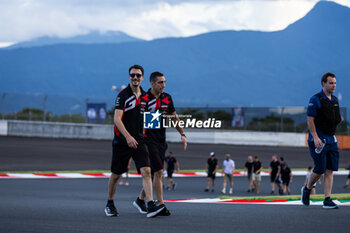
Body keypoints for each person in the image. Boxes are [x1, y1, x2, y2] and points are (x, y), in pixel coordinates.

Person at [105, 64, 164, 218]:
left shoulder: (146, 97)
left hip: (140, 141)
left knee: (147, 170)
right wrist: (127, 137)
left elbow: (151, 121)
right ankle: (110, 203)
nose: (135, 78)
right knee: (116, 175)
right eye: (132, 75)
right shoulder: (123, 95)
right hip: (122, 141)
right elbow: (117, 119)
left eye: (138, 75)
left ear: (143, 78)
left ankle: (149, 204)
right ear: (129, 77)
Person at [134, 71, 187, 216]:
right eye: (160, 82)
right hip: (147, 140)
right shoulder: (143, 99)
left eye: (164, 82)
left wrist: (182, 133)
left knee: (153, 173)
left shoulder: (167, 98)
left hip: (161, 141)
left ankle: (140, 200)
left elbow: (173, 117)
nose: (163, 85)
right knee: (158, 171)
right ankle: (161, 204)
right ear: (152, 83)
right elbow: (137, 120)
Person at [302, 72, 343, 209]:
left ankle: (327, 199)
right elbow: (310, 119)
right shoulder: (316, 99)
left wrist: (338, 120)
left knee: (330, 170)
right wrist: (315, 137)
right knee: (320, 169)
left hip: (332, 140)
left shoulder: (335, 100)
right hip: (319, 140)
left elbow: (337, 118)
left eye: (335, 83)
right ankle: (307, 188)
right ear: (323, 83)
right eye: (331, 83)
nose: (333, 85)